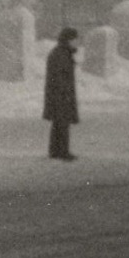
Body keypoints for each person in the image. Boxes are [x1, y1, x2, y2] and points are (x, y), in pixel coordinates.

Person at [44, 26, 80, 161]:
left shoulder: (62, 52)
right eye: (75, 39)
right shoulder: (61, 54)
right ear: (69, 40)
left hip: (59, 94)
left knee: (59, 123)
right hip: (61, 95)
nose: (77, 42)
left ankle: (56, 151)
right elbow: (59, 77)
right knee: (62, 123)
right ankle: (62, 151)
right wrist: (64, 93)